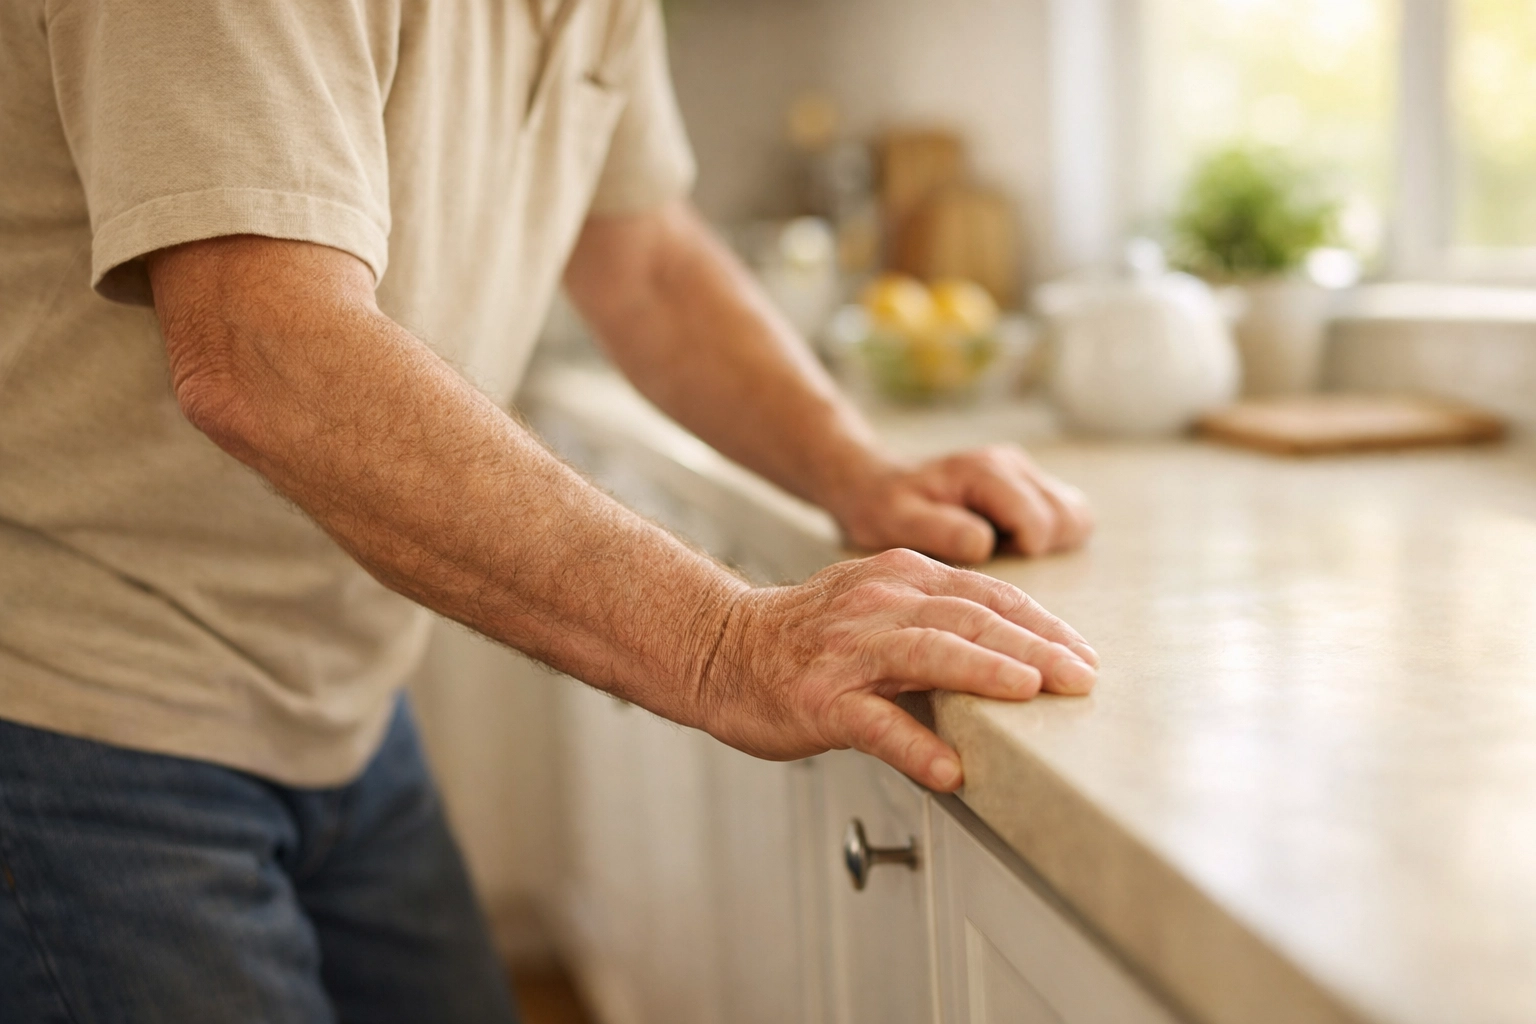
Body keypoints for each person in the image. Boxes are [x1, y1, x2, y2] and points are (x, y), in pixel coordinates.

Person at [0, 0, 1097, 1020]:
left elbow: (648, 263)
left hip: (340, 699)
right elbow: (263, 348)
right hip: (75, 711)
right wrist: (724, 644)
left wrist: (856, 469)